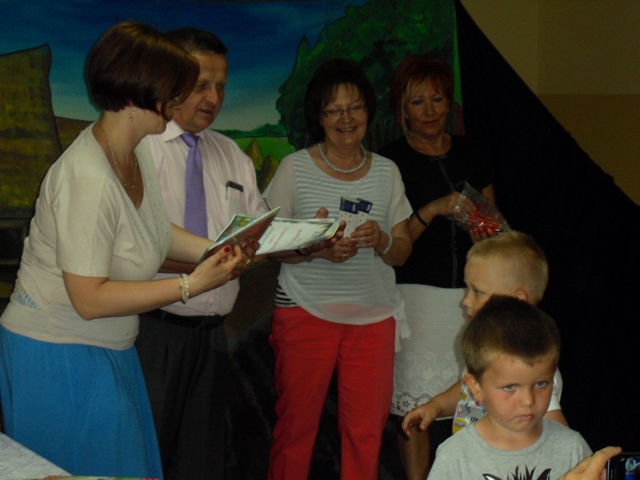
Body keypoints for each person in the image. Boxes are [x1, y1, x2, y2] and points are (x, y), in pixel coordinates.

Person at [0, 21, 246, 478]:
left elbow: (152, 229)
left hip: (109, 347)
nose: (179, 100)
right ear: (136, 92)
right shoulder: (87, 176)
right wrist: (191, 285)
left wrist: (218, 247)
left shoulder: (132, 152)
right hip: (59, 354)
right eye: (174, 89)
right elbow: (89, 298)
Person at [264, 58, 413, 480]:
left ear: (369, 111)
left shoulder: (387, 172)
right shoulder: (295, 168)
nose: (346, 119)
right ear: (319, 117)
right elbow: (268, 245)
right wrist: (316, 249)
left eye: (356, 107)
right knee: (296, 427)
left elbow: (402, 250)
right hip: (304, 311)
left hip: (374, 317)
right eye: (334, 110)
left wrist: (381, 240)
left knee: (366, 433)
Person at [134, 27, 268, 480]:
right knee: (143, 461)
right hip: (150, 334)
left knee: (200, 465)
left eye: (222, 86)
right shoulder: (139, 147)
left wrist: (287, 242)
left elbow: (257, 233)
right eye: (201, 85)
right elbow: (130, 245)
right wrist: (215, 260)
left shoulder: (232, 155)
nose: (214, 98)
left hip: (212, 338)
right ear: (168, 79)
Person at [377, 53, 496, 479]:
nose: (429, 111)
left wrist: (486, 229)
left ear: (450, 103)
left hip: (473, 296)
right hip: (417, 298)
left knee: (478, 398)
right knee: (416, 405)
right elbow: (392, 242)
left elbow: (493, 223)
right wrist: (434, 208)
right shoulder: (390, 161)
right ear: (402, 109)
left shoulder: (471, 151)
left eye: (438, 99)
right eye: (417, 102)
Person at [402, 232, 568, 465]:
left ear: (516, 300)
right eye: (467, 289)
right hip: (471, 463)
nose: (465, 301)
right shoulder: (489, 349)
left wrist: (578, 465)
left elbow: (558, 433)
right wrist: (436, 406)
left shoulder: (530, 367)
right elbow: (468, 387)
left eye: (477, 292)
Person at [427, 295, 591, 479]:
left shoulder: (572, 448)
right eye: (510, 387)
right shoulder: (454, 456)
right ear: (476, 387)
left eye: (541, 383)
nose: (528, 400)